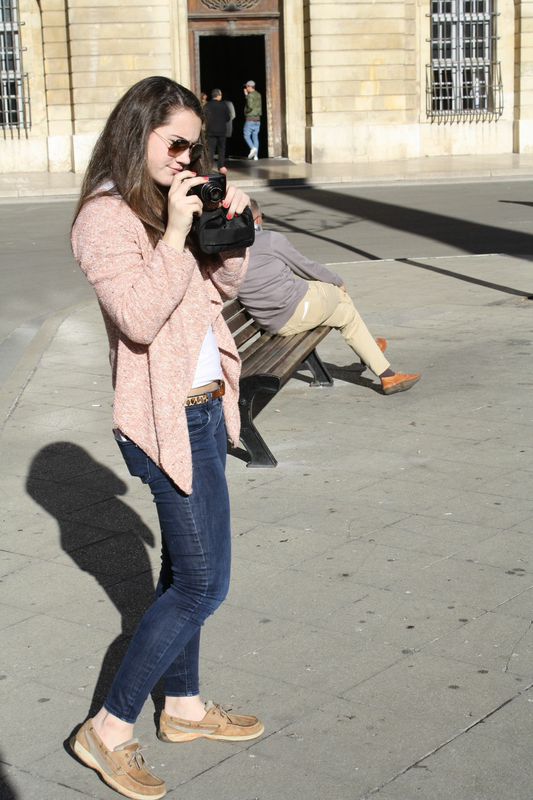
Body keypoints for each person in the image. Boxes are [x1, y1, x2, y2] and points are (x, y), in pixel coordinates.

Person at [69, 76, 263, 800]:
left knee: (185, 574)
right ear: (136, 133)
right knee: (205, 583)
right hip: (163, 420)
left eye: (195, 145)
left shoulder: (161, 203)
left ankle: (181, 708)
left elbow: (215, 295)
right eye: (174, 143)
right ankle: (108, 730)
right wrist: (178, 235)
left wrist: (235, 231)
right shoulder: (105, 219)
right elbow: (141, 319)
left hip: (205, 405)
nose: (187, 157)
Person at [238, 199, 421, 395]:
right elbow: (306, 267)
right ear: (257, 219)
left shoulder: (224, 249)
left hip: (273, 321)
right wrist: (337, 281)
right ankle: (371, 353)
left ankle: (384, 371)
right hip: (295, 311)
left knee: (345, 313)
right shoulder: (269, 239)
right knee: (339, 293)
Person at [204, 87, 230, 175]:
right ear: (218, 96)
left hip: (210, 131)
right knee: (221, 149)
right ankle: (221, 166)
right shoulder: (224, 105)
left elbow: (203, 117)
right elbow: (228, 118)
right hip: (222, 131)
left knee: (210, 149)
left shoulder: (207, 105)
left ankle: (209, 167)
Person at [243, 80, 261, 160]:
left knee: (246, 135)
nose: (246, 88)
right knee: (255, 136)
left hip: (250, 119)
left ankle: (253, 148)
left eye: (247, 86)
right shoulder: (258, 94)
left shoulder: (250, 96)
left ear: (250, 86)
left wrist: (246, 95)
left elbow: (250, 106)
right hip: (257, 119)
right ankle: (256, 156)